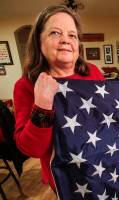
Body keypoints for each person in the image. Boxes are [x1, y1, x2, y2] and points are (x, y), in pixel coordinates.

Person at [13, 5, 105, 190]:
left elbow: (108, 116)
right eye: (55, 33)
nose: (65, 40)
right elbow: (31, 149)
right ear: (39, 41)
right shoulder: (26, 85)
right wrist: (43, 105)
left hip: (101, 166)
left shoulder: (92, 72)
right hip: (65, 179)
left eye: (72, 35)